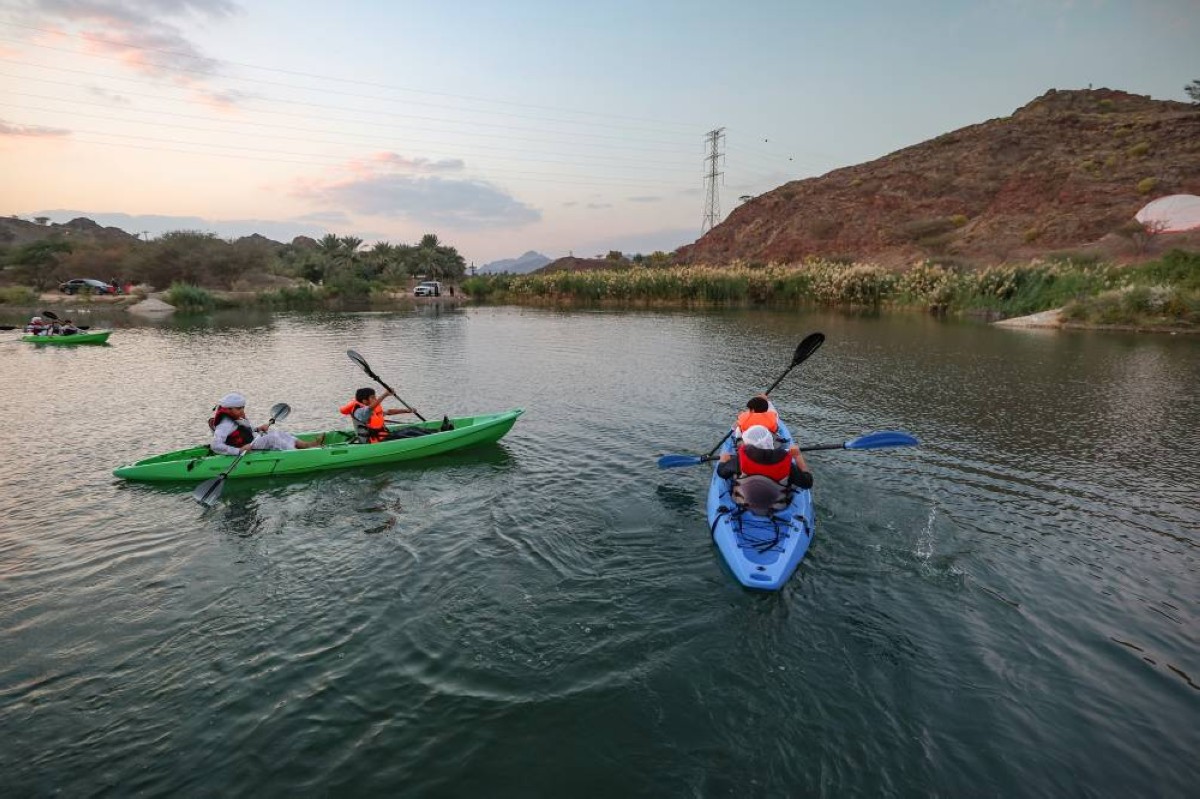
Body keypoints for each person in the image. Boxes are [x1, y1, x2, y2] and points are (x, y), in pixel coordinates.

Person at [717, 424, 813, 514]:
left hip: (743, 505)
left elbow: (721, 472)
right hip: (778, 509)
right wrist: (798, 456)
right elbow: (807, 482)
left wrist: (723, 460)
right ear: (770, 440)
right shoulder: (786, 463)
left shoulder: (740, 460)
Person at [209, 393, 323, 455]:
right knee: (273, 438)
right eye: (239, 409)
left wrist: (258, 429)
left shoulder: (234, 416)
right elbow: (215, 446)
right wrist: (239, 451)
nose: (242, 411)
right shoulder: (225, 424)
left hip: (249, 441)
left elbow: (243, 430)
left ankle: (306, 446)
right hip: (243, 447)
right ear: (228, 409)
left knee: (275, 432)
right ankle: (299, 454)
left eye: (243, 408)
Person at [339, 387, 418, 443]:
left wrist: (407, 410)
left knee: (412, 429)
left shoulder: (370, 410)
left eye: (375, 397)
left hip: (383, 436)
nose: (375, 399)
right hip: (373, 441)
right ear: (364, 401)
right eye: (373, 397)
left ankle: (429, 433)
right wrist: (385, 394)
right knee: (410, 432)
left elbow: (389, 412)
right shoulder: (361, 412)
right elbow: (370, 408)